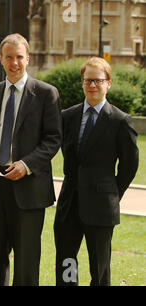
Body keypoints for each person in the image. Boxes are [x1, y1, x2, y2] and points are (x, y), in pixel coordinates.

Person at [0, 33, 62, 286]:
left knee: (26, 263)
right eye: (9, 57)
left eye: (19, 57)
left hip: (29, 189)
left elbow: (53, 139)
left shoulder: (47, 93)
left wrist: (27, 165)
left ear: (29, 59)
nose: (14, 63)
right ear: (1, 59)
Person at [54, 57, 138, 286]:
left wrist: (112, 193)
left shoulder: (120, 121)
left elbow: (130, 165)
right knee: (66, 261)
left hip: (101, 207)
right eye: (87, 80)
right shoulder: (68, 116)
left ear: (108, 83)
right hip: (70, 203)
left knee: (99, 268)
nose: (92, 85)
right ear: (82, 83)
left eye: (97, 81)